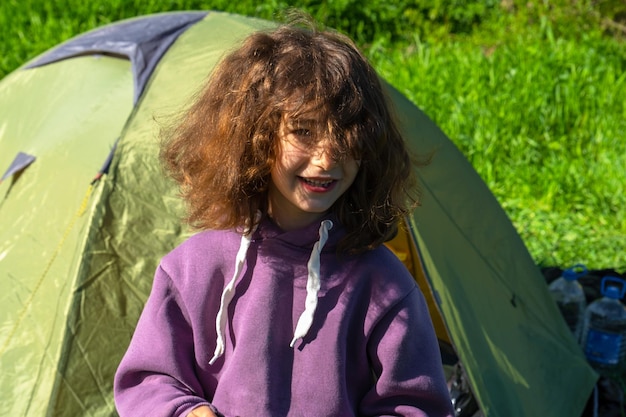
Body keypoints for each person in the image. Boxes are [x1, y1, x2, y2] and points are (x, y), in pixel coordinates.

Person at [114, 13, 454, 417]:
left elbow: (416, 406)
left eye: (347, 134)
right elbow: (149, 381)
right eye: (304, 130)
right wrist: (186, 412)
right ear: (256, 136)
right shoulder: (193, 269)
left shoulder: (384, 287)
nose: (327, 158)